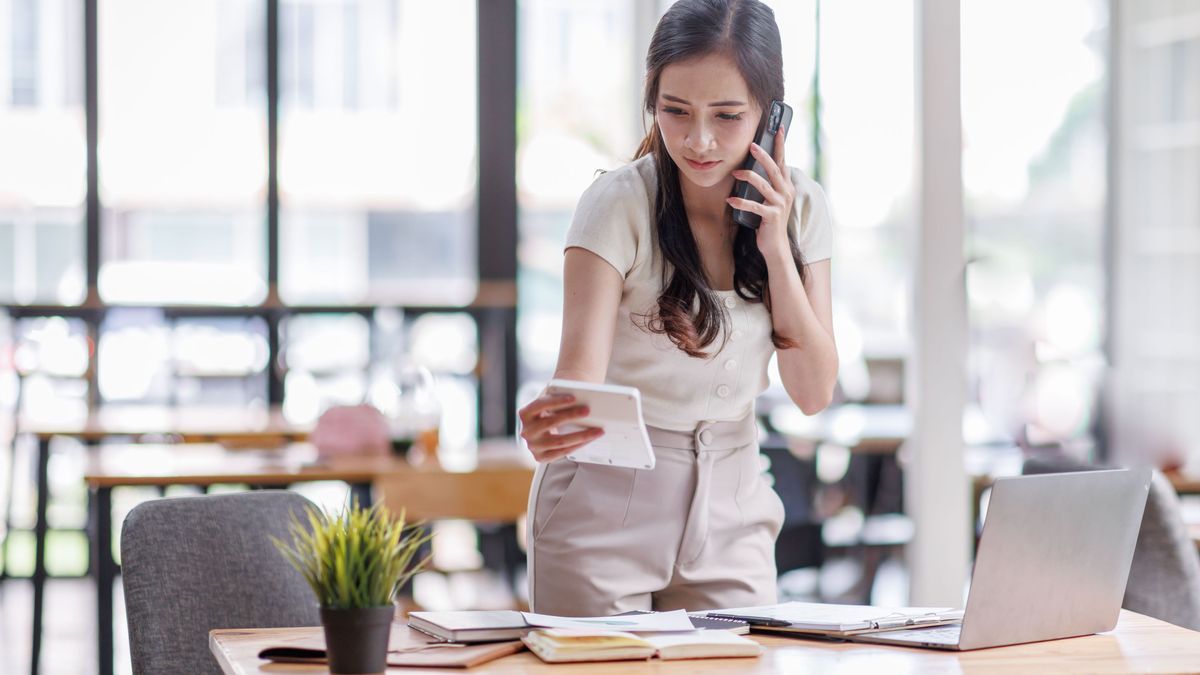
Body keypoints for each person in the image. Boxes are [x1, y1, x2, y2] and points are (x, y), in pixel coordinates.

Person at [519, 0, 837, 617]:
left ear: (771, 116)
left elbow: (814, 392)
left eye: (727, 115)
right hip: (604, 506)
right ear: (651, 101)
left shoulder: (804, 212)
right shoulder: (617, 204)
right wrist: (550, 421)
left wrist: (775, 249)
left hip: (734, 507)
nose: (699, 141)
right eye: (675, 112)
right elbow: (577, 376)